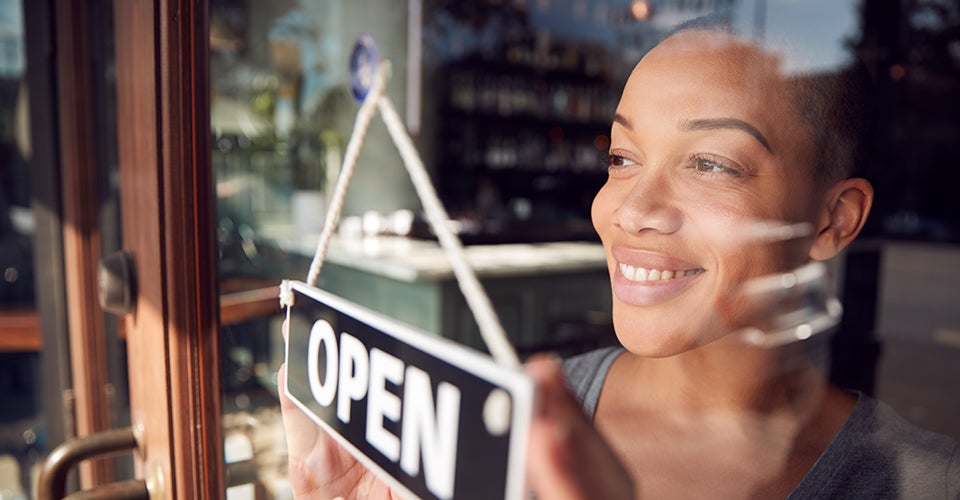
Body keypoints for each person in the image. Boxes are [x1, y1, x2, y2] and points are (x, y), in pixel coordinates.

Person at [278, 23, 960, 499]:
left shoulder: (923, 484)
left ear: (833, 219)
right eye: (621, 158)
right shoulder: (501, 423)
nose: (630, 209)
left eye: (711, 164)